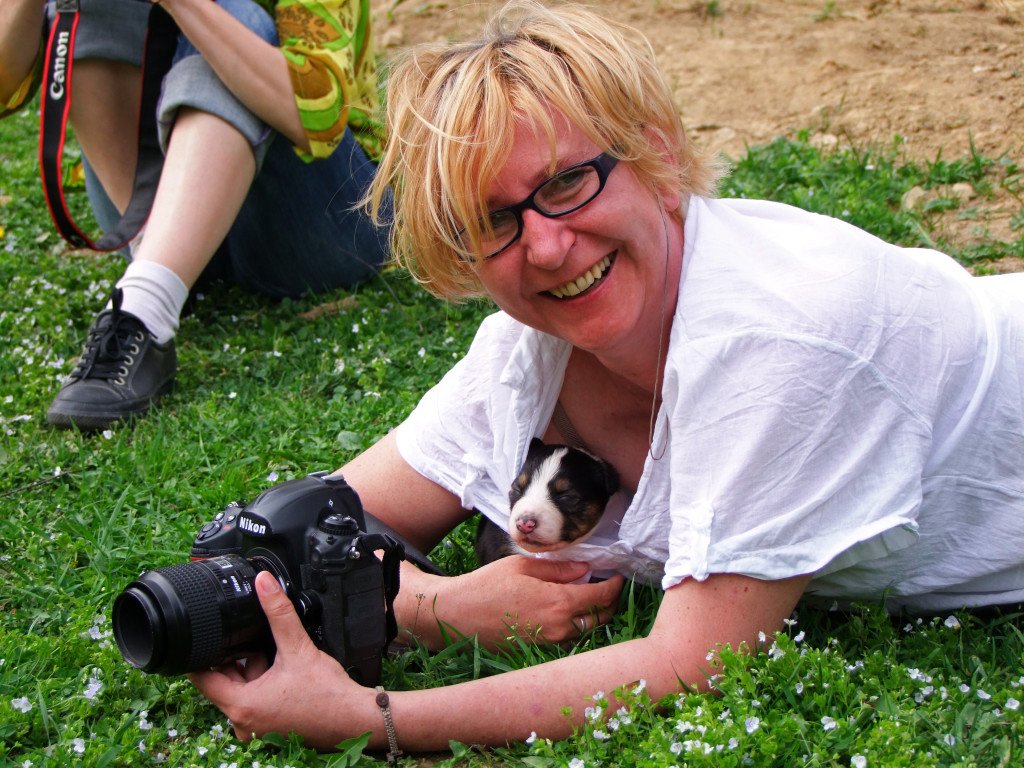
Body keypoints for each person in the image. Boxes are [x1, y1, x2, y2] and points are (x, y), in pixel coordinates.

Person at [187, 0, 1024, 754]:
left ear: (655, 152)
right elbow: (271, 540)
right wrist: (427, 607)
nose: (547, 247)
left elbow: (688, 662)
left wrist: (371, 718)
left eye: (567, 182)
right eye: (493, 220)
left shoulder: (783, 340)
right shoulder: (525, 356)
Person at [0, 0, 390, 431]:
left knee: (234, 18)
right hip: (146, 211)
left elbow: (317, 117)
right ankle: (158, 270)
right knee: (88, 6)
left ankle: (143, 307)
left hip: (325, 221)